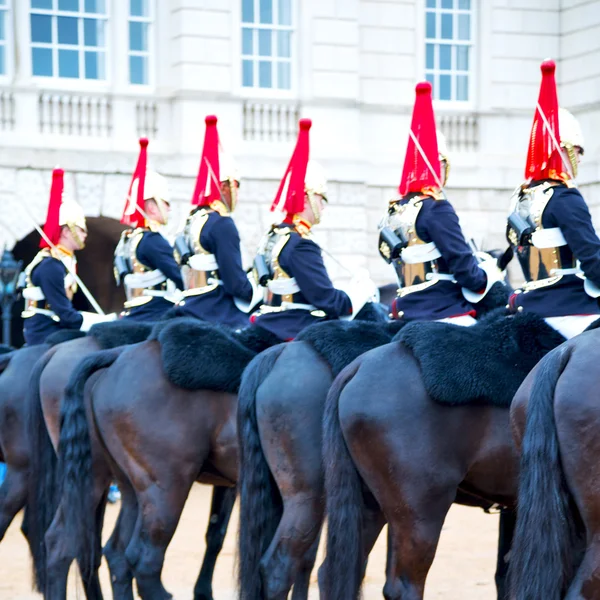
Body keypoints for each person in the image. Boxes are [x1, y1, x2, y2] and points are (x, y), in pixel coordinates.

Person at [378, 81, 502, 325]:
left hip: (402, 312)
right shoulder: (437, 207)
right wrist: (488, 275)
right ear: (440, 165)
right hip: (442, 312)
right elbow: (466, 273)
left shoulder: (395, 211)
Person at [250, 118, 377, 342]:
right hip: (296, 327)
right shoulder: (300, 243)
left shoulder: (274, 235)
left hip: (269, 320)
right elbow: (326, 300)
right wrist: (358, 294)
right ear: (306, 199)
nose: (323, 205)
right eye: (321, 198)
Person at [506, 59, 600, 339]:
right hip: (570, 310)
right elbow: (592, 259)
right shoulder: (565, 196)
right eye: (578, 151)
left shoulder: (521, 197)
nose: (580, 159)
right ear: (566, 150)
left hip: (530, 307)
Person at [174, 115, 261, 328]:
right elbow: (234, 284)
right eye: (236, 185)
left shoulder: (191, 220)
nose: (237, 193)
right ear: (224, 186)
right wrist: (259, 293)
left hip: (188, 302)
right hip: (215, 308)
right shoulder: (222, 224)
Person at [22, 169, 113, 345]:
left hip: (54, 327)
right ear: (65, 232)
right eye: (81, 229)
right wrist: (102, 322)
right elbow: (65, 314)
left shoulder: (62, 262)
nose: (85, 234)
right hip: (44, 331)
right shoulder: (51, 266)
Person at [114, 138, 184, 321]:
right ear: (151, 207)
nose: (169, 209)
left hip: (133, 308)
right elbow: (179, 278)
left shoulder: (128, 240)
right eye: (166, 203)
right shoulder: (153, 240)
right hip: (155, 312)